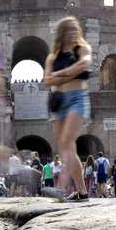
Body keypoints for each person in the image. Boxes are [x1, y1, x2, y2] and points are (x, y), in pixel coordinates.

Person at [42, 16, 92, 201]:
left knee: (66, 140)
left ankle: (61, 188)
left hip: (78, 99)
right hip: (60, 100)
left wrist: (59, 74)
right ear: (61, 33)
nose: (72, 32)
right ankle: (82, 192)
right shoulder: (52, 57)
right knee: (67, 147)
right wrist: (72, 73)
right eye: (68, 29)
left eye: (74, 28)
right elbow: (47, 80)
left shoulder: (83, 48)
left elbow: (84, 64)